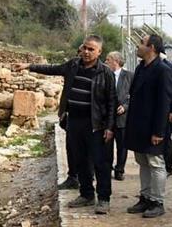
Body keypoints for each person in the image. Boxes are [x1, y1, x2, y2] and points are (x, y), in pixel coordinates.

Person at [14, 35, 116, 214]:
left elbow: (111, 102)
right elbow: (52, 69)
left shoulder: (105, 73)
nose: (86, 52)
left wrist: (109, 127)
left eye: (91, 49)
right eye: (84, 48)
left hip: (96, 124)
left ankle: (104, 199)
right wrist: (29, 66)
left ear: (99, 52)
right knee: (81, 160)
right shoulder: (73, 65)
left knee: (101, 162)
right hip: (74, 121)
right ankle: (86, 194)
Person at [125, 34, 172, 218]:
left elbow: (164, 103)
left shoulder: (163, 70)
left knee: (156, 163)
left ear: (152, 47)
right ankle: (145, 196)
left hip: (153, 127)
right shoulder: (141, 68)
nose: (138, 46)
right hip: (139, 126)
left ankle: (157, 201)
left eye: (141, 43)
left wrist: (159, 131)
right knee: (143, 162)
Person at [104, 51, 133, 181]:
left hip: (122, 118)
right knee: (106, 145)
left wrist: (126, 106)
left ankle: (119, 169)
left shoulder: (129, 76)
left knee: (122, 146)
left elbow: (134, 95)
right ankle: (106, 168)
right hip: (107, 118)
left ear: (115, 61)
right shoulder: (103, 75)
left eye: (108, 60)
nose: (106, 62)